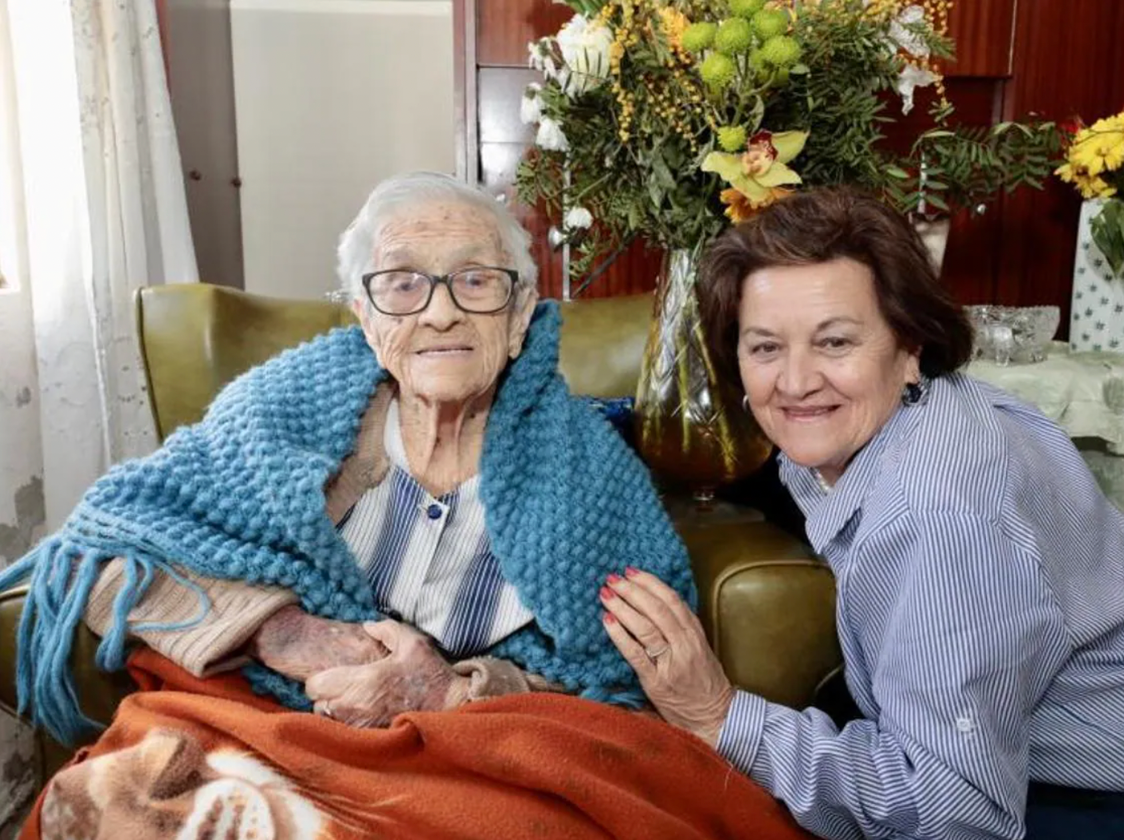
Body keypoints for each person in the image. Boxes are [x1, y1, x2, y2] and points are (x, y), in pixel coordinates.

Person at [0, 171, 696, 740]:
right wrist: (284, 632)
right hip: (268, 721)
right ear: (366, 318)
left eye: (476, 280)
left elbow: (634, 691)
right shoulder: (279, 414)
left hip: (474, 745)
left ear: (520, 317)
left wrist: (456, 693)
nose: (440, 312)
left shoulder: (591, 476)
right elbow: (101, 553)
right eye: (402, 283)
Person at [601, 186, 1124, 840]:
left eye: (834, 343)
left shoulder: (938, 511)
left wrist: (717, 714)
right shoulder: (903, 417)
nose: (795, 381)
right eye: (766, 347)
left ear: (909, 345)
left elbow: (952, 812)